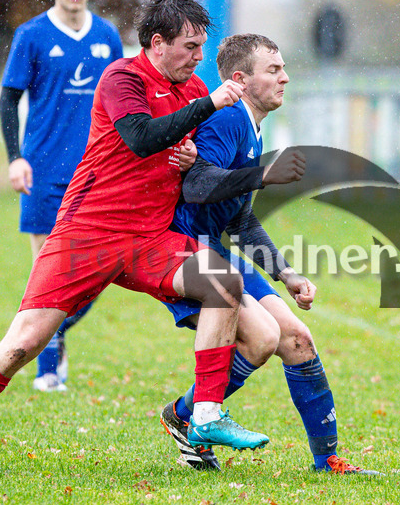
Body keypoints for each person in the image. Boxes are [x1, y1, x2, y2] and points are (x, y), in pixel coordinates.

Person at [0, 0, 269, 475]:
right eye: (190, 48)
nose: (199, 59)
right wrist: (206, 109)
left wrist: (194, 159)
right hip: (86, 235)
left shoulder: (196, 89)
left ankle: (204, 415)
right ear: (157, 43)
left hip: (149, 239)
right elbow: (140, 138)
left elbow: (193, 159)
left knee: (223, 281)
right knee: (22, 345)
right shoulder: (121, 77)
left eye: (201, 47)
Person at [157, 33, 381, 474]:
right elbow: (196, 187)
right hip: (183, 252)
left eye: (283, 69)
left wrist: (287, 273)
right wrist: (262, 175)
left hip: (218, 248)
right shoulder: (226, 122)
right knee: (261, 340)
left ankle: (328, 461)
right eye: (273, 70)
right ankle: (187, 417)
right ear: (240, 79)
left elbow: (238, 218)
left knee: (297, 339)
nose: (285, 78)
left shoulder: (252, 127)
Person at [0, 0, 124, 392]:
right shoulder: (31, 35)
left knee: (100, 268)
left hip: (96, 172)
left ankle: (56, 334)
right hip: (44, 169)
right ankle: (47, 369)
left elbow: (122, 104)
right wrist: (16, 156)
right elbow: (8, 98)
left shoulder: (108, 37)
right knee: (45, 273)